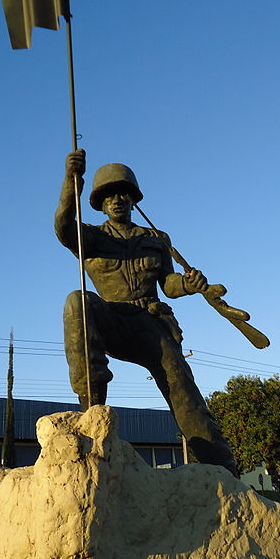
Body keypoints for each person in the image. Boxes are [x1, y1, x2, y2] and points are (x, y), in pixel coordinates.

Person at [55, 149, 237, 476]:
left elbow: (168, 284)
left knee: (184, 389)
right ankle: (92, 416)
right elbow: (63, 227)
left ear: (133, 198)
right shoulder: (92, 238)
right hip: (111, 319)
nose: (116, 200)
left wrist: (189, 283)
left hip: (151, 324)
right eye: (108, 195)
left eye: (123, 193)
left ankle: (221, 469)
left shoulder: (155, 239)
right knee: (77, 302)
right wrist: (71, 184)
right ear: (99, 202)